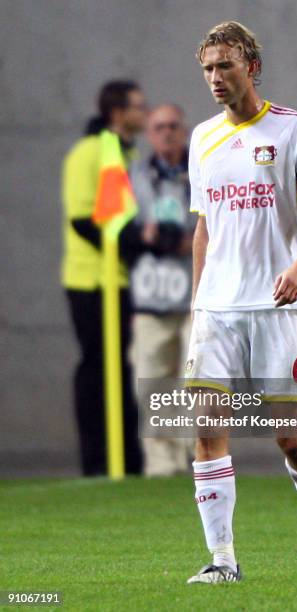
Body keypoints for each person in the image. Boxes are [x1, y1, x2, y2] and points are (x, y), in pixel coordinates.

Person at [185, 22, 297, 583]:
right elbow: (204, 227)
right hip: (219, 308)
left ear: (251, 66)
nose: (214, 78)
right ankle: (221, 561)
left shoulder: (293, 128)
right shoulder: (202, 138)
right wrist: (198, 301)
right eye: (207, 68)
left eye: (224, 66)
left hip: (281, 308)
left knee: (292, 439)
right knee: (206, 426)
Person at [62, 80, 152, 476]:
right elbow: (84, 220)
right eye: (138, 107)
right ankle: (97, 461)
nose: (144, 113)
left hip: (120, 280)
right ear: (117, 112)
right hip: (91, 283)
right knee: (98, 367)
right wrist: (135, 243)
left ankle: (127, 460)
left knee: (122, 369)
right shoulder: (90, 152)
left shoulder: (125, 152)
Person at [130, 104, 195, 476]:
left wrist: (197, 239)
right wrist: (144, 235)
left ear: (183, 130)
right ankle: (161, 468)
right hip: (151, 295)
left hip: (193, 296)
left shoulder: (202, 170)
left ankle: (194, 453)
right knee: (152, 384)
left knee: (194, 379)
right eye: (159, 127)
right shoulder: (133, 176)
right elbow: (112, 229)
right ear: (149, 134)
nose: (167, 133)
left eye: (173, 125)